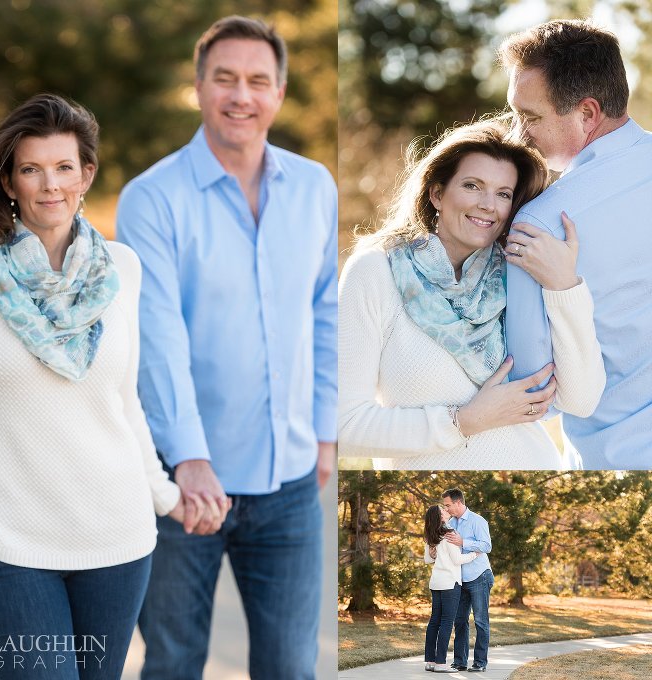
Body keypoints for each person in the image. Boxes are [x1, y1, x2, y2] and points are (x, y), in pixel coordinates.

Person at [0, 94, 212, 680]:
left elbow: (123, 402)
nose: (50, 185)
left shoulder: (124, 270)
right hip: (8, 549)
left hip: (118, 542)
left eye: (64, 167)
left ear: (86, 174)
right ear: (9, 182)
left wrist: (167, 497)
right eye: (31, 169)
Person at [115, 16, 337, 680]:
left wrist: (325, 431)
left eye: (258, 81)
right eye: (225, 79)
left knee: (290, 668)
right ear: (198, 86)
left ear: (280, 91)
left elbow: (325, 312)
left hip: (291, 482)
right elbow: (157, 337)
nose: (242, 96)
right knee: (175, 663)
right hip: (186, 487)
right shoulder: (152, 199)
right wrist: (190, 459)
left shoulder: (315, 186)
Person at [338, 118, 605, 469]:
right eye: (472, 185)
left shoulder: (522, 272)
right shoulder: (376, 272)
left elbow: (582, 400)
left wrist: (563, 286)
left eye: (503, 194)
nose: (488, 205)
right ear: (437, 193)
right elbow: (343, 426)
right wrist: (465, 421)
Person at [501, 19, 652, 469]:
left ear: (587, 113)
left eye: (530, 117)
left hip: (617, 462)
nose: (517, 134)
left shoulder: (538, 224)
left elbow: (534, 391)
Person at [440, 489, 493, 673]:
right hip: (459, 581)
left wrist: (464, 542)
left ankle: (480, 662)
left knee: (480, 621)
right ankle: (460, 661)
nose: (446, 508)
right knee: (460, 621)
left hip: (479, 576)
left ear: (458, 502)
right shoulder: (450, 523)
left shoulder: (477, 521)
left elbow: (487, 546)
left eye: (447, 505)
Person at [423, 504, 480, 673]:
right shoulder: (449, 533)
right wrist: (475, 554)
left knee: (434, 621)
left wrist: (434, 553)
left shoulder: (431, 535)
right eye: (443, 510)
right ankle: (441, 663)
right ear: (440, 517)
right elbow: (457, 560)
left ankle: (431, 661)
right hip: (450, 583)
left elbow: (427, 559)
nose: (446, 511)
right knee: (447, 622)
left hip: (436, 583)